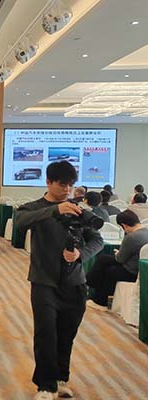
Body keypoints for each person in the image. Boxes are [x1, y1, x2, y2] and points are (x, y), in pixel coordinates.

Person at [15, 161, 103, 400]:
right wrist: (55, 211)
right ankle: (45, 386)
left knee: (66, 335)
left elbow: (97, 240)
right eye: (62, 184)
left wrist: (80, 255)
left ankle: (60, 379)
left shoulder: (77, 210)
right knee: (45, 335)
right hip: (44, 282)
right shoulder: (34, 208)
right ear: (48, 182)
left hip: (74, 282)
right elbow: (20, 221)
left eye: (70, 185)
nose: (67, 190)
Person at [86, 210, 148, 310]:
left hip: (131, 271)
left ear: (124, 225)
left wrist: (117, 254)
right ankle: (91, 282)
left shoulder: (131, 237)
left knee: (107, 269)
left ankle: (99, 300)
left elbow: (120, 259)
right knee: (104, 260)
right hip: (141, 270)